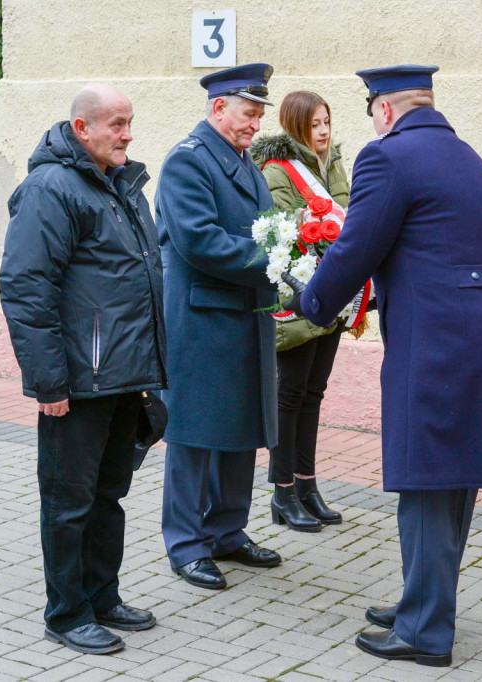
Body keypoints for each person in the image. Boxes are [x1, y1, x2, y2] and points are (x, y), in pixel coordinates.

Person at [284, 65, 482, 667]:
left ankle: (423, 631)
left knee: (424, 479)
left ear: (383, 110)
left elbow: (360, 245)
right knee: (451, 477)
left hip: (435, 335)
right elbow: (434, 246)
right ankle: (425, 600)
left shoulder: (387, 158)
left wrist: (309, 301)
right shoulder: (467, 156)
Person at [0, 84, 167, 655]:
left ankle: (103, 595)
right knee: (68, 502)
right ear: (81, 128)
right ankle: (67, 614)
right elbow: (26, 287)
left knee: (108, 495)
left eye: (129, 123)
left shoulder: (118, 185)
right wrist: (48, 381)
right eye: (117, 124)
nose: (127, 134)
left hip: (122, 374)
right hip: (77, 379)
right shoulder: (51, 188)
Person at [155, 63, 283, 591]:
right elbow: (199, 241)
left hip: (242, 313)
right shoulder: (187, 163)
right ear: (218, 108)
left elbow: (269, 226)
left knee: (240, 429)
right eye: (248, 114)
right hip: (203, 318)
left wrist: (290, 249)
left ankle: (227, 531)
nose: (254, 125)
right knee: (194, 434)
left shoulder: (242, 160)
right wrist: (277, 257)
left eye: (257, 116)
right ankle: (186, 545)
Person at [251, 91, 353, 532]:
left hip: (334, 296)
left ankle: (308, 485)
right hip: (298, 299)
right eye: (314, 125)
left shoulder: (332, 164)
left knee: (313, 393)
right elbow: (286, 234)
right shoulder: (279, 170)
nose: (324, 131)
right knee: (289, 396)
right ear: (295, 126)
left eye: (327, 121)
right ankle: (282, 492)